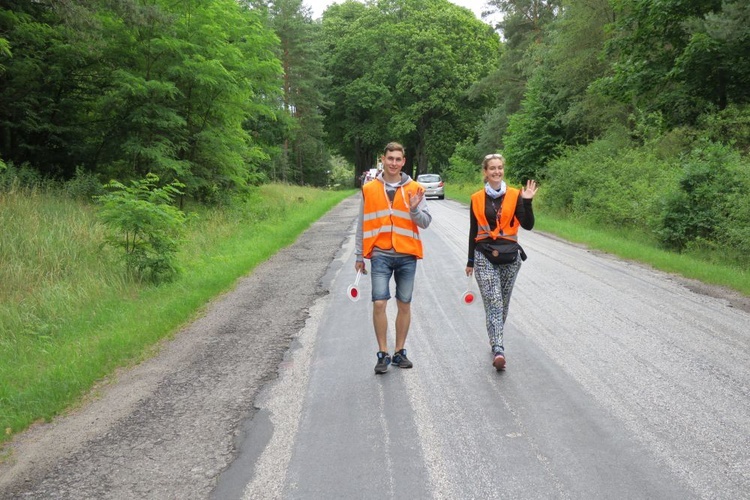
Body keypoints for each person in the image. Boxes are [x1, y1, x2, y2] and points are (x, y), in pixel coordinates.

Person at [355, 142, 432, 374]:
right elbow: (362, 223)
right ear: (383, 159)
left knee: (404, 304)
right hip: (380, 254)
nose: (394, 163)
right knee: (379, 302)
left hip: (407, 254)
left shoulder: (416, 189)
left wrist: (414, 209)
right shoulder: (369, 189)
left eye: (398, 159)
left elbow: (426, 222)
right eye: (390, 158)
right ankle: (382, 353)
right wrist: (359, 255)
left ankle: (399, 352)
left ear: (404, 162)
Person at [465, 153, 537, 371]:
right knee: (494, 301)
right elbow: (473, 231)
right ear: (485, 172)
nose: (496, 171)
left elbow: (528, 225)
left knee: (502, 305)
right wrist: (470, 261)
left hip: (510, 257)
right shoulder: (477, 198)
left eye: (500, 168)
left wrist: (528, 201)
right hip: (484, 254)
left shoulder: (516, 195)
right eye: (492, 168)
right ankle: (498, 349)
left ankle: (495, 338)